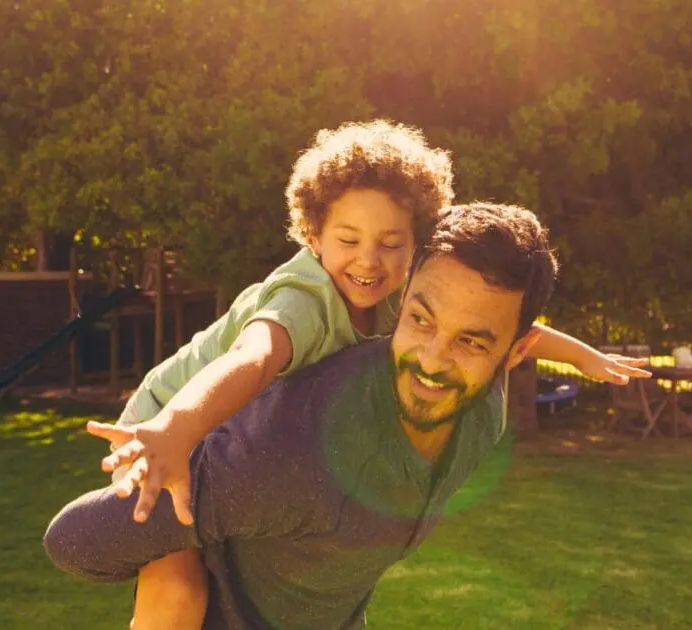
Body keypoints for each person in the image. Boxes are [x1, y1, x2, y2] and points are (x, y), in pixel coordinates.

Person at [97, 120, 648, 629]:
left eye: (391, 244)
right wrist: (173, 429)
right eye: (348, 240)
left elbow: (497, 330)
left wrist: (581, 356)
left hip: (214, 432)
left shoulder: (396, 300)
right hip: (159, 427)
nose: (369, 261)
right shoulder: (303, 298)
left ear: (416, 247)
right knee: (177, 597)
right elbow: (254, 357)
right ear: (313, 236)